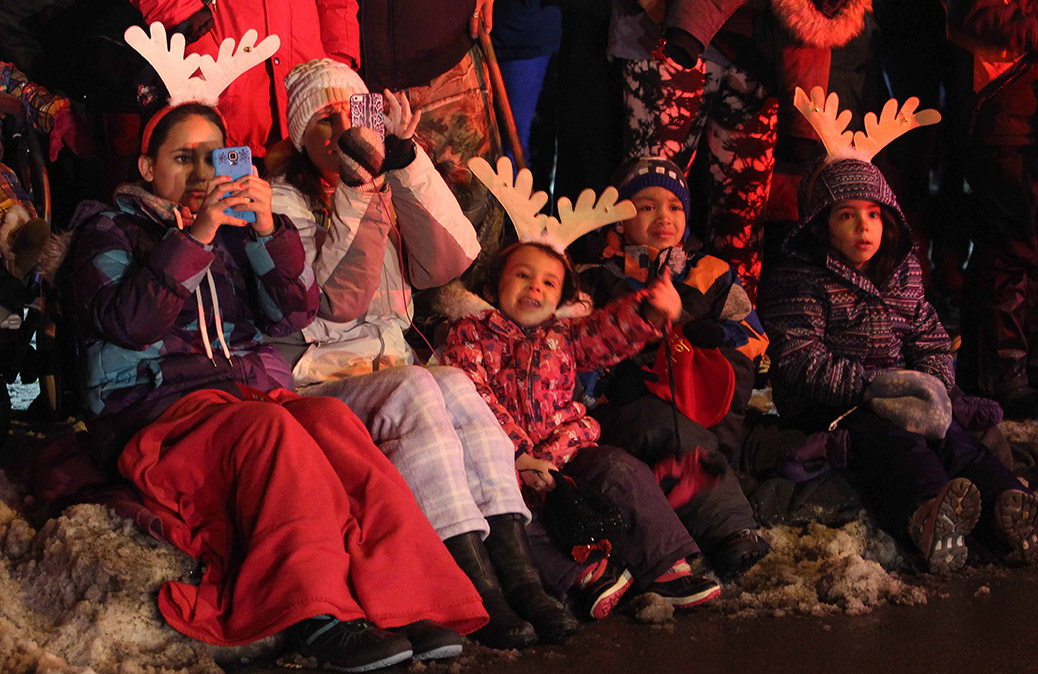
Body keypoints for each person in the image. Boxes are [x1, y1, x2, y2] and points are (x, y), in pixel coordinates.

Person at [69, 101, 489, 672]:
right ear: (146, 167)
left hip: (243, 395)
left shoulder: (240, 229)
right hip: (155, 412)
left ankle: (405, 597)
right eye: (181, 157)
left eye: (213, 157)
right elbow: (129, 322)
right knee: (268, 429)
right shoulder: (106, 228)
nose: (200, 173)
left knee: (333, 424)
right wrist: (198, 233)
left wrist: (269, 230)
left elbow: (294, 313)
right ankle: (313, 610)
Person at [268, 58, 578, 649]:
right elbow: (334, 300)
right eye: (323, 122)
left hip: (387, 369)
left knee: (456, 384)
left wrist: (407, 161)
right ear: (300, 137)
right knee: (416, 386)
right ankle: (472, 586)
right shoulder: (286, 200)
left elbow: (452, 257)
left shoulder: (384, 177)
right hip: (321, 376)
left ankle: (518, 577)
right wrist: (358, 190)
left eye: (351, 114)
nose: (341, 131)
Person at [757, 106, 1038, 570]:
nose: (863, 227)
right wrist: (872, 387)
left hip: (902, 391)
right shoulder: (802, 278)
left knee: (952, 433)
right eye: (846, 216)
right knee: (896, 441)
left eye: (872, 214)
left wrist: (931, 383)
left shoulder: (901, 270)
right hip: (837, 405)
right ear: (821, 223)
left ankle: (1007, 501)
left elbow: (927, 332)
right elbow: (798, 357)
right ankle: (928, 512)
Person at [441, 240, 722, 618]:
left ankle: (666, 564)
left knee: (620, 471)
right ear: (492, 287)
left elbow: (607, 332)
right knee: (512, 516)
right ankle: (586, 574)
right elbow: (474, 395)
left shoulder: (564, 334)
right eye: (522, 275)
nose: (535, 287)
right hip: (506, 464)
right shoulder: (470, 332)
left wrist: (651, 311)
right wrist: (521, 456)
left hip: (567, 448)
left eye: (549, 283)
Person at [578, 156, 771, 579]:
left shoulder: (710, 273)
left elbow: (756, 336)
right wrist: (608, 380)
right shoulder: (594, 277)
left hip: (704, 402)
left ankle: (715, 517)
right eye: (646, 207)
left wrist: (722, 338)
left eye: (675, 207)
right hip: (629, 407)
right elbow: (575, 354)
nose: (663, 217)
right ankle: (730, 532)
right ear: (617, 219)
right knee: (659, 428)